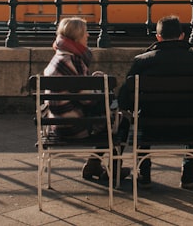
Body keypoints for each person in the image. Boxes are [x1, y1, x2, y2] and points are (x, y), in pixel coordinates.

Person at [118, 15, 193, 189]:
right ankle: (189, 170)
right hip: (192, 128)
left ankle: (144, 173)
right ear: (182, 35)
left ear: (158, 37)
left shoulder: (142, 61)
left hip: (150, 128)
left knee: (140, 117)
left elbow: (124, 101)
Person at [43, 17, 129, 184]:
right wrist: (100, 88)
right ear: (76, 37)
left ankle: (94, 165)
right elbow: (89, 101)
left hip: (55, 123)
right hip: (74, 125)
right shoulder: (73, 61)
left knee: (110, 119)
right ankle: (113, 170)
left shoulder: (58, 58)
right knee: (121, 121)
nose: (88, 35)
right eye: (84, 33)